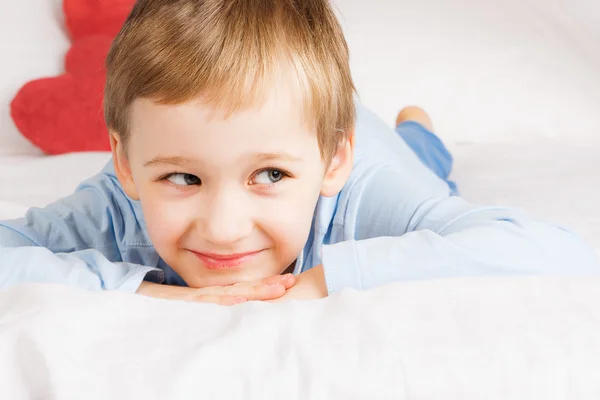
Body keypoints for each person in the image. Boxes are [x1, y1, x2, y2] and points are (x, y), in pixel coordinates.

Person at [0, 0, 598, 304]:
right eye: (183, 177)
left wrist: (317, 283)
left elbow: (560, 252)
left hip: (375, 147)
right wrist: (143, 290)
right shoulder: (113, 203)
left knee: (427, 171)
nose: (225, 230)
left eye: (269, 174)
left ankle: (419, 132)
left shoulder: (362, 191)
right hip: (329, 131)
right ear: (126, 165)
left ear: (332, 163)